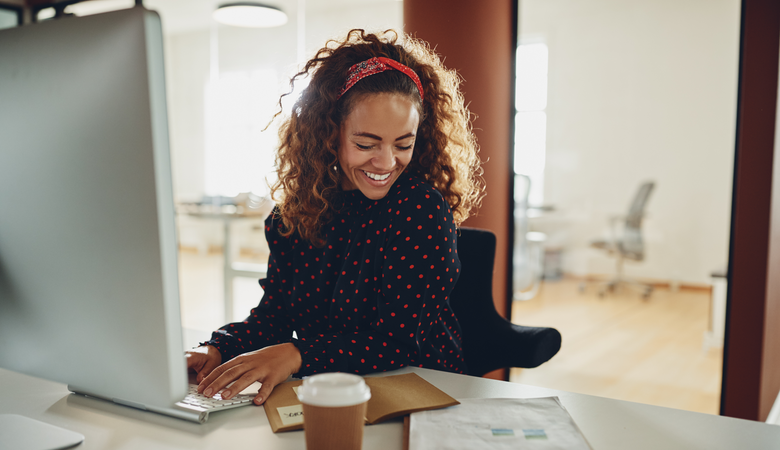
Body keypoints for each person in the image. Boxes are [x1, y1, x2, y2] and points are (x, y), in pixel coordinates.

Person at [186, 29, 485, 406]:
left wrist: (298, 354)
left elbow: (397, 343)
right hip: (326, 387)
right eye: (366, 144)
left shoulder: (419, 209)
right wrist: (218, 348)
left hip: (416, 386)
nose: (387, 162)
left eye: (403, 144)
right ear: (330, 133)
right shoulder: (295, 212)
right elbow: (275, 315)